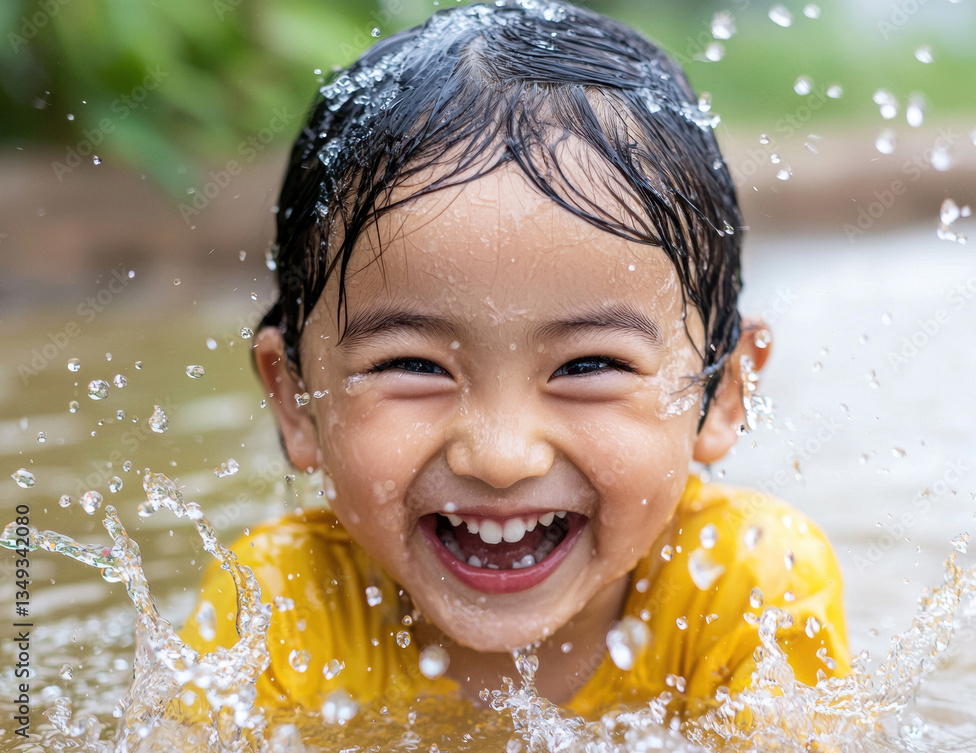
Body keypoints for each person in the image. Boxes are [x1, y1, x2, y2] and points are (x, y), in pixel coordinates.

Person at [181, 0, 850, 723]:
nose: (500, 456)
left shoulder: (745, 586)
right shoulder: (278, 608)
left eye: (590, 366)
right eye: (414, 364)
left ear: (722, 390)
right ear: (296, 400)